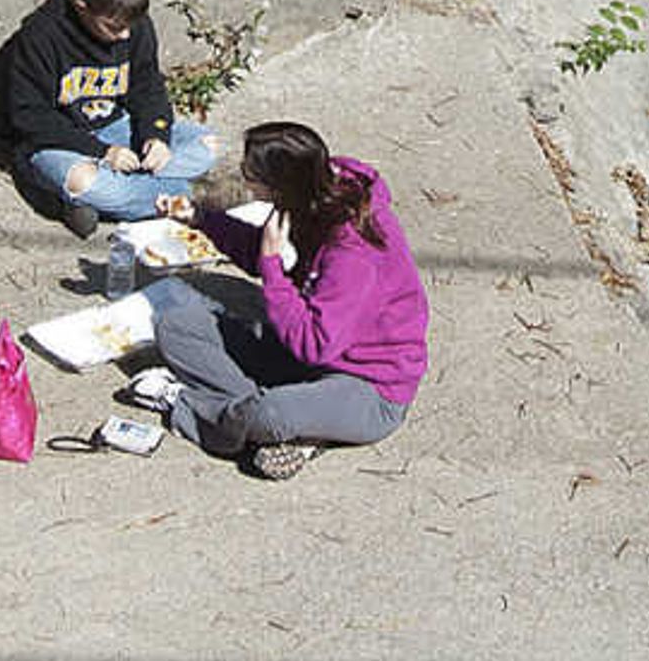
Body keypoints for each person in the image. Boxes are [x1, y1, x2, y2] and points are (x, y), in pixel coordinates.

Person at [123, 120, 427, 478]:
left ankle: (191, 406)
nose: (244, 178)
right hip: (307, 359)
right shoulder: (312, 197)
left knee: (269, 415)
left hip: (367, 386)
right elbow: (266, 250)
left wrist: (270, 265)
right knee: (176, 324)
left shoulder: (353, 256)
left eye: (251, 175)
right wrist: (201, 218)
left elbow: (313, 345)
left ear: (280, 184)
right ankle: (289, 423)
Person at [0, 0, 218, 235]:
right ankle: (182, 196)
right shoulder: (41, 34)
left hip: (115, 127)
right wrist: (102, 153)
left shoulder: (132, 20)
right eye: (114, 27)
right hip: (59, 143)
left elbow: (148, 87)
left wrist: (155, 137)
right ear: (82, 6)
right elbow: (30, 118)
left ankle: (99, 199)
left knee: (206, 146)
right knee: (83, 182)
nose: (125, 36)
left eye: (130, 26)